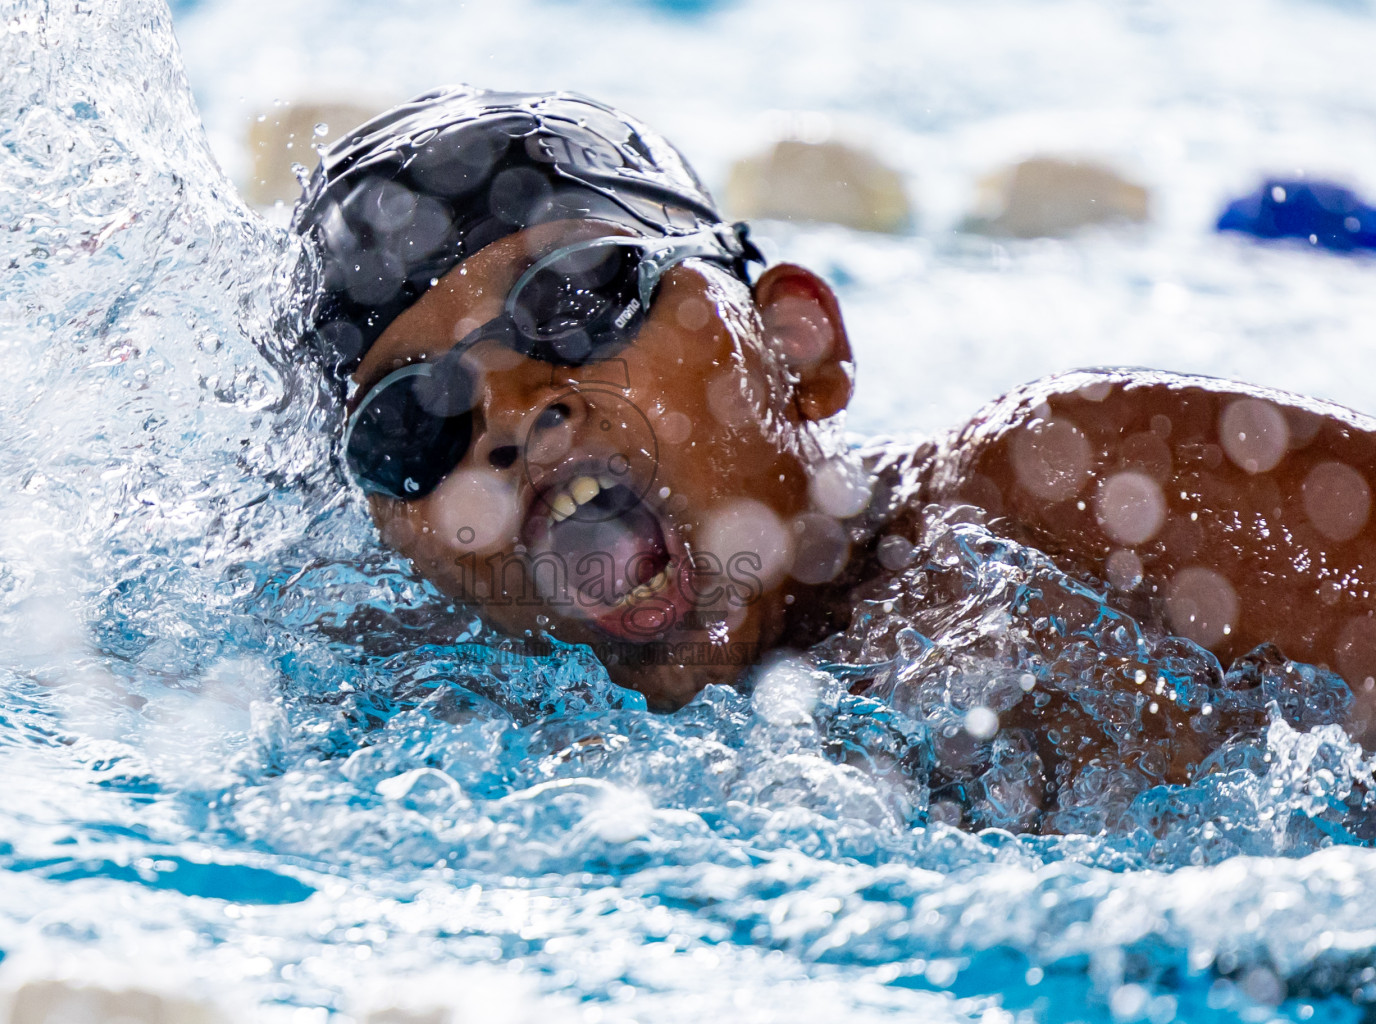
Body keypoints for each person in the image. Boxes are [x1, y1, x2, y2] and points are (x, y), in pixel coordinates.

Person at [287, 85, 1376, 761]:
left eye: (578, 299)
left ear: (798, 346)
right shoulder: (431, 731)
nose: (514, 414)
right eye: (414, 423)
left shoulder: (1078, 490)